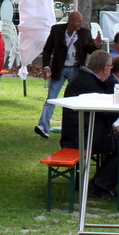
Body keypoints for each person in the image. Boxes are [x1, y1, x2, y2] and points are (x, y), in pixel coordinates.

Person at [59, 50, 119, 200]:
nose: (111, 71)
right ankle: (100, 186)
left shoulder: (86, 79)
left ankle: (99, 183)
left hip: (85, 130)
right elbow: (105, 111)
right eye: (110, 67)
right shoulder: (88, 83)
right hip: (81, 135)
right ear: (106, 69)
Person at [35, 11, 103, 139]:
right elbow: (48, 49)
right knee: (51, 98)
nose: (81, 23)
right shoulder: (57, 30)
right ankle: (43, 126)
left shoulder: (85, 32)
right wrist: (46, 66)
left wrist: (97, 45)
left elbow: (90, 50)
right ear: (71, 21)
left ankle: (77, 127)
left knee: (76, 99)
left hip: (76, 70)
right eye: (79, 21)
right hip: (59, 70)